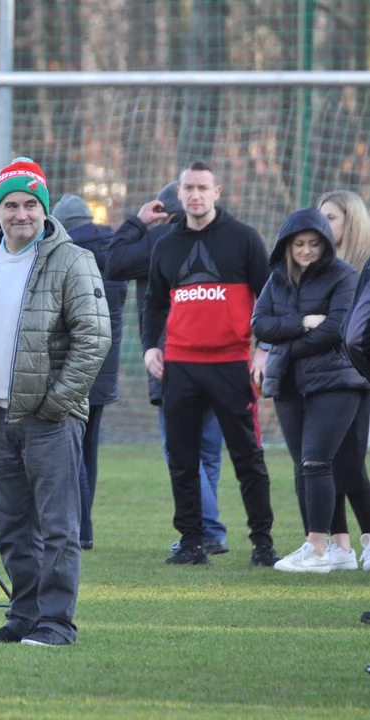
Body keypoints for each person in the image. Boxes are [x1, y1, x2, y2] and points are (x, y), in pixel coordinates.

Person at [0, 157, 111, 647]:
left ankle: (56, 624)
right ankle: (22, 618)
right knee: (13, 526)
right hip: (0, 418)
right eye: (11, 205)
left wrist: (58, 400)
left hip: (49, 419)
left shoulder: (73, 260)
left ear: (43, 210)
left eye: (30, 204)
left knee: (58, 527)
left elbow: (94, 337)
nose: (20, 214)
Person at [142, 160, 278, 567]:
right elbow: (153, 301)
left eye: (203, 187)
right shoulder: (165, 244)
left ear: (217, 192)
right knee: (181, 459)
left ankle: (263, 543)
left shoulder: (244, 239)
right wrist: (151, 347)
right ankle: (191, 542)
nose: (196, 195)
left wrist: (263, 348)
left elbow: (271, 294)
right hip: (180, 365)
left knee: (247, 456)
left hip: (232, 363)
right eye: (189, 188)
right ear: (179, 195)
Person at [107, 182, 229, 556]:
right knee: (207, 451)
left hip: (174, 358)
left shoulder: (162, 239)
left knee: (181, 450)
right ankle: (208, 531)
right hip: (220, 356)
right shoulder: (226, 240)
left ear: (166, 211)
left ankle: (210, 527)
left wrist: (138, 222)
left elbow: (113, 262)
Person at [251, 208, 367, 572]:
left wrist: (284, 348)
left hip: (336, 381)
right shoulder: (276, 278)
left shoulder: (343, 275)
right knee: (308, 466)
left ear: (325, 245)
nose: (305, 250)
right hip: (288, 385)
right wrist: (301, 322)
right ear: (287, 246)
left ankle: (317, 549)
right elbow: (260, 324)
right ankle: (339, 549)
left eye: (313, 243)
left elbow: (336, 328)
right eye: (298, 244)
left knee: (321, 462)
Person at [51, 194, 127, 551]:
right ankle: (85, 528)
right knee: (89, 447)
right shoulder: (116, 252)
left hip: (75, 364)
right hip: (106, 365)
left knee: (71, 448)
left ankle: (79, 529)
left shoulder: (65, 254)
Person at [316, 190, 370, 570]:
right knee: (322, 459)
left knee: (349, 461)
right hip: (319, 376)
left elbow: (350, 329)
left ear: (351, 222)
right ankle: (339, 545)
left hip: (356, 377)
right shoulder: (314, 264)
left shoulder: (363, 266)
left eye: (330, 218)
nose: (322, 225)